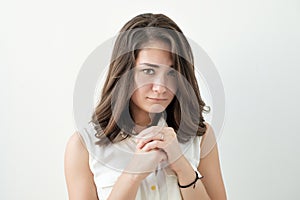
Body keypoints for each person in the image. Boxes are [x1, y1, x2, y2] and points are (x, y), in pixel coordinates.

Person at [64, 13, 227, 200]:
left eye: (172, 74)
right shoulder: (83, 146)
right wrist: (132, 174)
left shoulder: (201, 136)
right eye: (148, 71)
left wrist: (182, 166)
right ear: (124, 72)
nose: (160, 87)